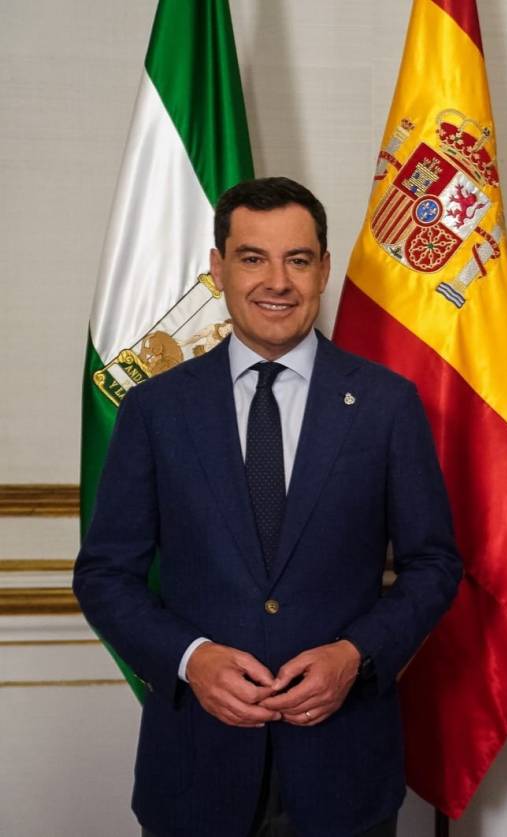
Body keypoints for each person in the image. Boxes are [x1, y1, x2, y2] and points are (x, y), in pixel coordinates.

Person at [74, 177, 462, 837]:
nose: (276, 281)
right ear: (218, 267)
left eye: (298, 259)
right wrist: (191, 657)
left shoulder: (386, 404)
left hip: (345, 768)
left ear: (324, 270)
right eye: (253, 258)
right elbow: (104, 574)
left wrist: (355, 654)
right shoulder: (155, 409)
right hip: (196, 768)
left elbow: (434, 565)